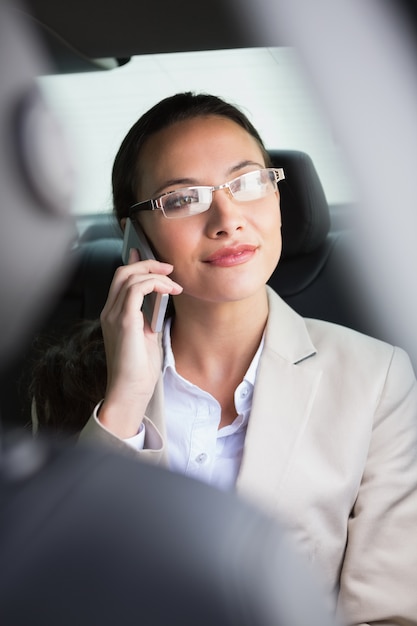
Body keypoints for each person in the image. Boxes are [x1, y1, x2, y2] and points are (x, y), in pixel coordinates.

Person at [33, 91, 417, 625]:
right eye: (183, 198)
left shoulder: (377, 378)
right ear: (134, 234)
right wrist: (123, 399)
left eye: (248, 182)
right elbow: (57, 586)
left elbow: (389, 613)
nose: (227, 217)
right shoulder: (70, 380)